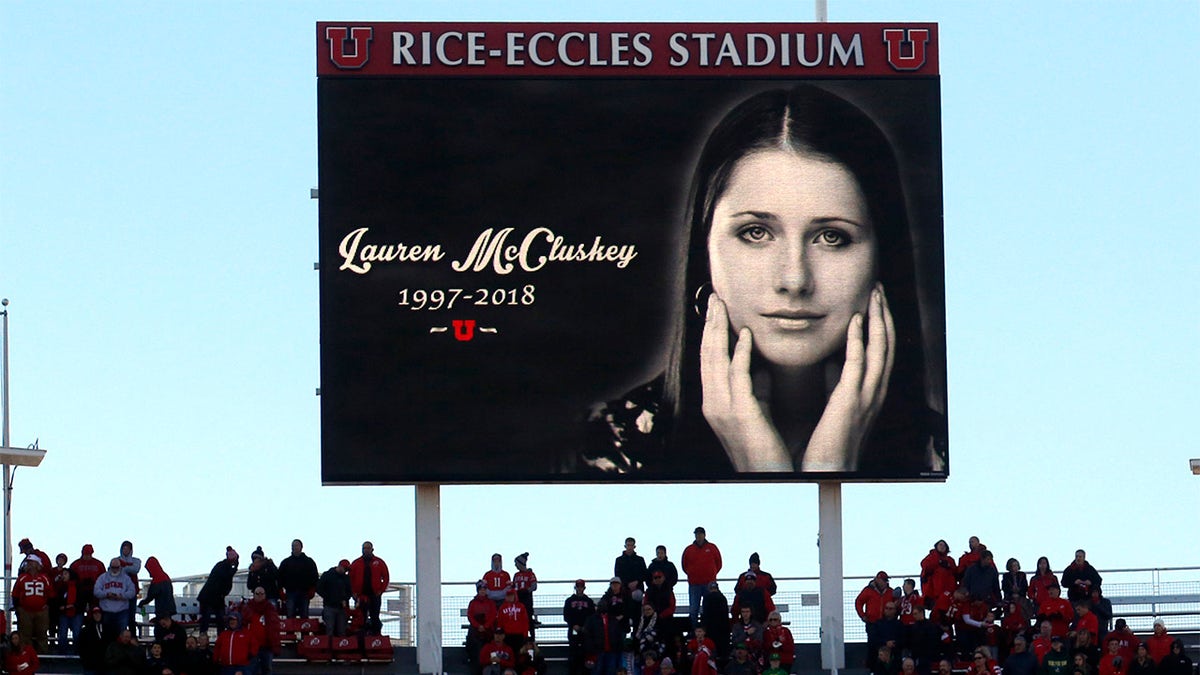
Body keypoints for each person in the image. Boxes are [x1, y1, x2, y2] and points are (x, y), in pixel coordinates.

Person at [582, 83, 944, 477]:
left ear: (882, 259)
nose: (794, 279)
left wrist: (827, 467)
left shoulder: (938, 451)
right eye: (756, 232)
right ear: (705, 250)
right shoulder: (615, 441)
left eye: (832, 237)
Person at [681, 528, 721, 627]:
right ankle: (694, 631)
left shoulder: (712, 548)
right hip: (694, 584)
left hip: (709, 584)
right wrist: (692, 574)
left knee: (710, 609)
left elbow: (719, 563)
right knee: (693, 610)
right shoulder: (689, 549)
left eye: (700, 534)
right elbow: (684, 565)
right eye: (697, 534)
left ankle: (709, 630)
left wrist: (712, 574)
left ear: (704, 535)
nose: (698, 536)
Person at [13, 555, 52, 653]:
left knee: (42, 634)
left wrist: (47, 605)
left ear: (37, 564)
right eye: (28, 562)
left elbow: (51, 593)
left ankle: (43, 656)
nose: (29, 564)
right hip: (25, 611)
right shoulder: (22, 578)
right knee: (25, 635)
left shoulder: (44, 578)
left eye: (32, 562)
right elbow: (15, 594)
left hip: (41, 611)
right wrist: (18, 608)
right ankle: (27, 655)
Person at [349, 541, 389, 636]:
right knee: (360, 617)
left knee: (375, 616)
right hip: (361, 596)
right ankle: (361, 637)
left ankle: (376, 636)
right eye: (364, 548)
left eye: (368, 548)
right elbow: (350, 579)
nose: (366, 550)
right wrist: (353, 592)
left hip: (374, 595)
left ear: (372, 549)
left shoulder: (379, 562)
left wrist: (381, 590)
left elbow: (386, 577)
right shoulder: (356, 563)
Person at [197, 547, 239, 635]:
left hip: (211, 598)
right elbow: (228, 577)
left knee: (207, 622)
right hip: (213, 598)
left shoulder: (220, 566)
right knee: (218, 622)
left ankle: (204, 638)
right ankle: (219, 639)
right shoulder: (225, 568)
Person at [93, 558, 136, 640]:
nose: (115, 569)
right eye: (113, 567)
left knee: (122, 636)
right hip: (106, 611)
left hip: (122, 611)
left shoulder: (126, 578)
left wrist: (121, 596)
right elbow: (96, 591)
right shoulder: (102, 578)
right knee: (106, 636)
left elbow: (132, 592)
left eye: (117, 567)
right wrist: (106, 594)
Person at [241, 586, 281, 675]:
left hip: (267, 645)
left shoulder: (270, 608)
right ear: (253, 595)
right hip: (252, 646)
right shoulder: (248, 608)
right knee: (252, 670)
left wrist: (275, 645)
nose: (259, 595)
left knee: (267, 669)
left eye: (262, 594)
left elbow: (275, 628)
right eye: (257, 594)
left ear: (265, 595)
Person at [278, 538, 319, 619]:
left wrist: (313, 589)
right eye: (293, 546)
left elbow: (314, 577)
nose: (295, 547)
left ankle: (305, 631)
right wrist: (280, 590)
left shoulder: (309, 562)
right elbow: (279, 578)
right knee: (290, 616)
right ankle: (290, 632)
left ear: (301, 547)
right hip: (290, 593)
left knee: (304, 616)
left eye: (296, 545)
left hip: (304, 593)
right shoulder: (285, 562)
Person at [564, 580, 596, 675]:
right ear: (575, 588)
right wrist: (573, 625)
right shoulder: (569, 601)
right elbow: (566, 615)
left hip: (585, 632)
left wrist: (585, 627)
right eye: (578, 586)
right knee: (573, 653)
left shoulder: (589, 601)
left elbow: (592, 616)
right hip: (573, 630)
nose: (579, 588)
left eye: (581, 586)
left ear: (584, 588)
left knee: (585, 654)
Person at [316, 559, 352, 637]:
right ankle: (331, 647)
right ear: (340, 566)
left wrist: (345, 599)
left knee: (341, 630)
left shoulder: (345, 578)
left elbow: (349, 591)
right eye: (344, 569)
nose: (345, 571)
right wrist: (328, 597)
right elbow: (319, 588)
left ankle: (337, 647)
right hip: (330, 606)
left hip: (341, 607)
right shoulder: (328, 575)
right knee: (330, 629)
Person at [70, 545, 106, 614]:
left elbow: (104, 578)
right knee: (79, 611)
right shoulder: (75, 564)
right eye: (85, 554)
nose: (87, 556)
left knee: (94, 611)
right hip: (80, 593)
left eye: (89, 554)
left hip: (94, 593)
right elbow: (71, 579)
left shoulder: (98, 564)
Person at [920, 540, 957, 606]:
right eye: (940, 545)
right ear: (936, 546)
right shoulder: (931, 557)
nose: (942, 547)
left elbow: (955, 571)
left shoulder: (950, 560)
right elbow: (925, 566)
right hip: (933, 591)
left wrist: (948, 566)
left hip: (947, 590)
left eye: (944, 545)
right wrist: (939, 562)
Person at [114, 541, 141, 632]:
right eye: (124, 548)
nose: (125, 550)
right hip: (119, 592)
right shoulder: (116, 560)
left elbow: (135, 569)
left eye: (127, 548)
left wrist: (122, 568)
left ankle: (132, 636)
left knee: (131, 616)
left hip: (131, 593)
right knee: (121, 616)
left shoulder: (136, 561)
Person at [77, 606, 108, 675]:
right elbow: (80, 646)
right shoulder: (85, 630)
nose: (97, 615)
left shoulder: (108, 628)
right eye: (95, 614)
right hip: (90, 665)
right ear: (92, 615)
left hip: (105, 665)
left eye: (99, 613)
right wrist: (86, 660)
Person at [513, 553, 539, 630]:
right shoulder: (516, 575)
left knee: (528, 616)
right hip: (517, 599)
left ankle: (531, 637)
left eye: (516, 563)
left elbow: (534, 586)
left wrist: (526, 591)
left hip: (527, 599)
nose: (515, 565)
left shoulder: (530, 574)